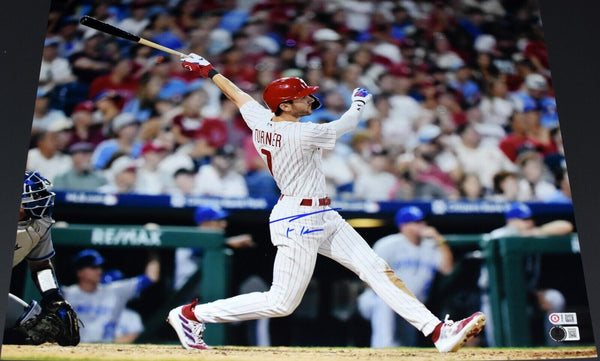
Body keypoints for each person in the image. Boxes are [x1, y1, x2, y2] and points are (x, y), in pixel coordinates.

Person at [166, 53, 485, 352]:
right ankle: (193, 315)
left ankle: (437, 332)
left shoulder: (262, 120)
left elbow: (238, 96)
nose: (310, 98)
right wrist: (359, 103)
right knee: (281, 303)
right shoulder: (298, 135)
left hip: (322, 213)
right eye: (303, 96)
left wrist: (209, 70)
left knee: (376, 269)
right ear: (286, 106)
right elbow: (344, 126)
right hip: (297, 218)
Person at [478, 203, 574, 347]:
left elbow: (567, 226)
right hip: (496, 298)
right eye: (523, 219)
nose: (529, 223)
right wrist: (528, 233)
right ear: (511, 221)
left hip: (526, 295)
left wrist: (535, 294)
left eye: (530, 219)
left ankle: (556, 346)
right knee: (500, 345)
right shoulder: (499, 235)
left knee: (555, 298)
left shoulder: (533, 234)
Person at [357, 206, 453, 348]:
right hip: (377, 300)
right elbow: (367, 275)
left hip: (412, 304)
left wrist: (440, 239)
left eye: (423, 221)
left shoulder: (431, 246)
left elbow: (447, 268)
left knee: (407, 345)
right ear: (404, 226)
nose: (423, 225)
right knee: (385, 300)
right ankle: (382, 349)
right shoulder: (388, 244)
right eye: (417, 222)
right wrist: (391, 293)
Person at [4, 171, 79, 346]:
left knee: (31, 325)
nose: (42, 198)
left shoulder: (40, 223)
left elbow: (41, 266)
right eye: (35, 194)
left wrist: (54, 297)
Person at [61, 248, 160, 343]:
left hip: (106, 349)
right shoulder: (67, 293)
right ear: (80, 272)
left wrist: (153, 250)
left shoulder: (114, 291)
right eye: (93, 267)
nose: (99, 271)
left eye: (100, 267)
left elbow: (151, 277)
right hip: (75, 349)